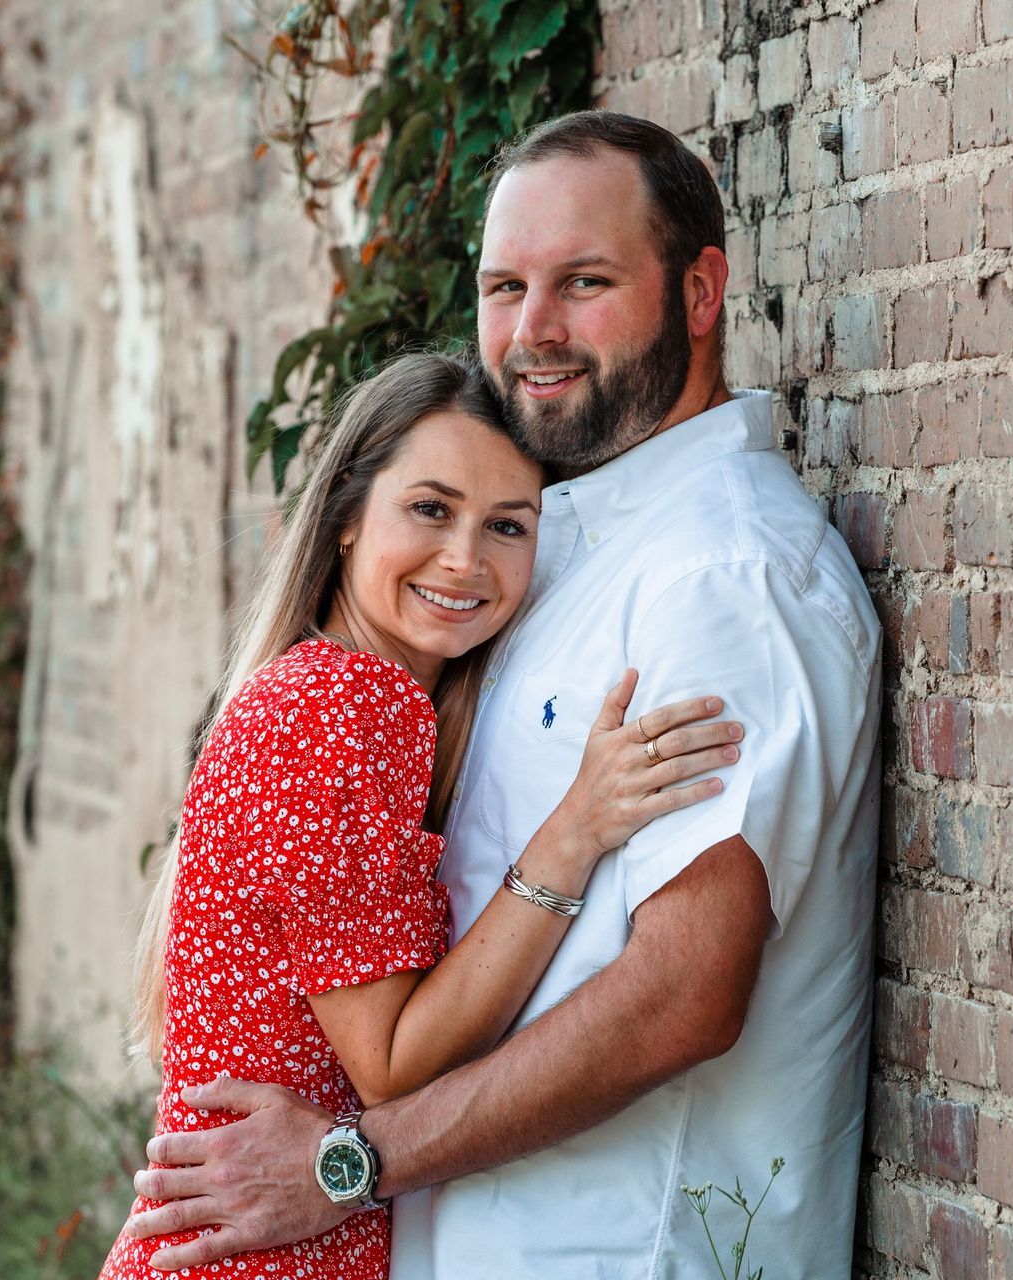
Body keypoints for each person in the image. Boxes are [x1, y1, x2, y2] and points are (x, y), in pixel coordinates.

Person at [122, 111, 882, 1277]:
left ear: (700, 289)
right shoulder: (563, 556)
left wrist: (349, 1160)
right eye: (505, 286)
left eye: (584, 282)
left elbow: (681, 995)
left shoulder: (722, 580)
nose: (532, 332)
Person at [101, 349, 740, 1280]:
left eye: (508, 526)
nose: (465, 559)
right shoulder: (343, 709)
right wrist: (576, 831)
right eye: (430, 509)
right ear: (349, 518)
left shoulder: (336, 699)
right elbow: (393, 1068)